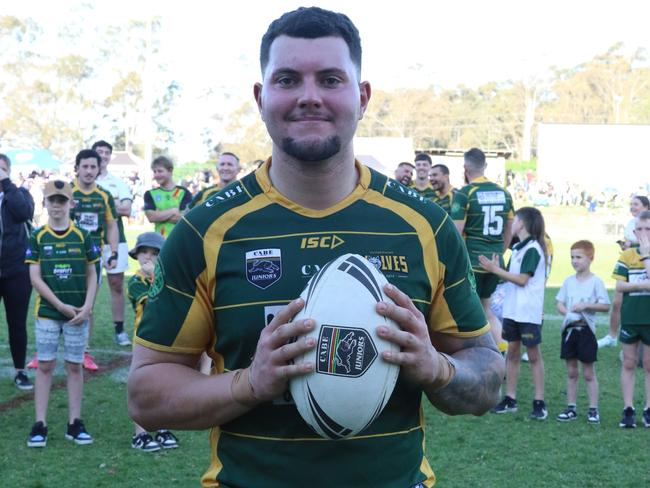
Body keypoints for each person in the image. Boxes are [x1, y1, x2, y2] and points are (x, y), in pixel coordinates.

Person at [128, 7, 504, 487]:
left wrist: (436, 368)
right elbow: (146, 394)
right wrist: (250, 382)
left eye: (330, 79)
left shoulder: (425, 226)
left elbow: (487, 374)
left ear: (362, 96)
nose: (309, 97)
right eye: (287, 80)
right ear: (262, 98)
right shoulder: (205, 229)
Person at [25, 180, 99, 447]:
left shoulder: (83, 236)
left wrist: (88, 307)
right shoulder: (37, 236)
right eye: (52, 200)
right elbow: (35, 277)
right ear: (44, 203)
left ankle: (74, 423)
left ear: (71, 203)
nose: (57, 205)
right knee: (44, 365)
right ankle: (40, 423)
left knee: (74, 366)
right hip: (47, 313)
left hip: (78, 314)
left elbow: (93, 273)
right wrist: (59, 306)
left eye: (62, 200)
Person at [479, 207, 547, 419]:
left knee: (534, 356)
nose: (511, 223)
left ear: (522, 224)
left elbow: (522, 279)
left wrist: (495, 270)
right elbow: (511, 277)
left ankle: (539, 402)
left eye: (514, 220)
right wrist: (498, 271)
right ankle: (510, 398)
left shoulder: (533, 249)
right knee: (513, 353)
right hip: (513, 310)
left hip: (527, 313)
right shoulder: (518, 249)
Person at [452, 148, 514, 352]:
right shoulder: (504, 193)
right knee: (486, 309)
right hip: (495, 263)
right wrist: (499, 254)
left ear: (465, 168)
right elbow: (508, 230)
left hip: (473, 263)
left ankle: (478, 354)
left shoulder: (464, 193)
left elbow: (456, 232)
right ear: (485, 166)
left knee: (467, 311)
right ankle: (501, 348)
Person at [127, 231, 179, 451]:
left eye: (155, 253)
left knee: (165, 384)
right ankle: (140, 433)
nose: (148, 257)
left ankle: (163, 427)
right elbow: (153, 304)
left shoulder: (169, 279)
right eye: (144, 252)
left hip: (167, 339)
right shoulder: (135, 281)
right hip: (144, 341)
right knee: (141, 386)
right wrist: (154, 277)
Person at [71, 149, 119, 371]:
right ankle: (44, 350)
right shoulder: (67, 192)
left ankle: (84, 351)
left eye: (93, 167)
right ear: (77, 168)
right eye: (85, 166)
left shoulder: (104, 195)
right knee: (53, 302)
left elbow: (111, 225)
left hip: (93, 259)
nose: (89, 171)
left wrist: (114, 252)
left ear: (99, 169)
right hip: (66, 258)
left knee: (87, 306)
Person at [555, 240, 610, 423]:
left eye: (579, 257)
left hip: (586, 332)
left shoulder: (596, 282)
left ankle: (593, 409)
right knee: (571, 371)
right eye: (572, 257)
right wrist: (567, 312)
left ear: (591, 258)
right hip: (570, 331)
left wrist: (586, 305)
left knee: (588, 372)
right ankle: (571, 408)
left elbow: (605, 305)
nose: (574, 261)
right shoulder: (568, 281)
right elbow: (559, 303)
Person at [93, 140, 134, 347]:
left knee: (117, 285)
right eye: (99, 151)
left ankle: (119, 330)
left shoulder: (118, 183)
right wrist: (113, 205)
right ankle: (81, 332)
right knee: (87, 287)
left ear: (110, 156)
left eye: (107, 152)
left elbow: (127, 210)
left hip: (117, 240)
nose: (103, 155)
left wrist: (98, 205)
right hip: (90, 242)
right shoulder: (81, 180)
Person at [0, 153, 35, 390]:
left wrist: (6, 185)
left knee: (17, 323)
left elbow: (24, 213)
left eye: (1, 168)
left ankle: (20, 370)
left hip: (16, 269)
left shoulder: (19, 193)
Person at [612, 209, 650, 428]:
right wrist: (642, 285)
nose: (644, 233)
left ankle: (648, 408)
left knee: (648, 364)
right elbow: (619, 285)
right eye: (640, 229)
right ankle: (628, 408)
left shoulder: (644, 254)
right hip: (631, 317)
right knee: (628, 362)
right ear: (634, 231)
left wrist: (646, 255)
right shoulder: (627, 255)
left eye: (648, 229)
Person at [599, 195, 650, 348]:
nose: (632, 207)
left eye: (636, 204)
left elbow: (642, 242)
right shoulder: (630, 223)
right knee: (617, 302)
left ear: (646, 207)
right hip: (631, 265)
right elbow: (632, 242)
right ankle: (612, 336)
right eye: (631, 204)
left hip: (644, 263)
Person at [143, 156, 192, 237]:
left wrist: (160, 214)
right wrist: (173, 210)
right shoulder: (150, 194)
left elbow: (185, 219)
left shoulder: (184, 192)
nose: (156, 175)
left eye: (160, 171)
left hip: (179, 240)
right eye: (154, 171)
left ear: (170, 171)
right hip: (159, 242)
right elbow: (151, 217)